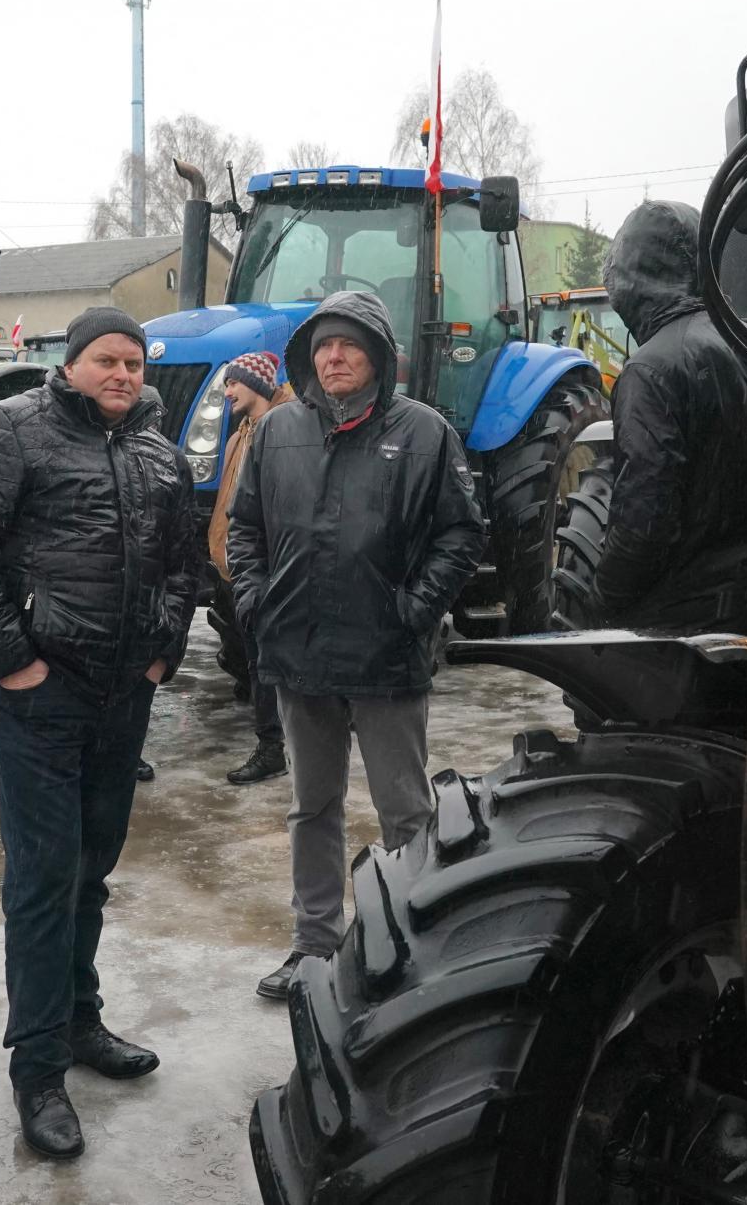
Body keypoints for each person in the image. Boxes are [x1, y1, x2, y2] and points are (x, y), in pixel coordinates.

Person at [0, 306, 197, 1161]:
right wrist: (13, 663)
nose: (123, 374)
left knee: (91, 869)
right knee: (43, 880)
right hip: (42, 697)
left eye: (135, 363)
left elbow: (183, 561)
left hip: (123, 697)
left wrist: (161, 653)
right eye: (107, 359)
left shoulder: (158, 452)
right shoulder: (10, 430)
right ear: (71, 363)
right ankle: (38, 1070)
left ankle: (81, 1020)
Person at [228, 289, 486, 1001]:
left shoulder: (425, 433)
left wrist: (415, 609)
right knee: (312, 806)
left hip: (385, 656)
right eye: (323, 347)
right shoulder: (278, 432)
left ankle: (413, 941)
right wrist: (255, 600)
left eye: (348, 345)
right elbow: (244, 527)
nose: (334, 357)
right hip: (299, 654)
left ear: (377, 354)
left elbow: (463, 532)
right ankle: (314, 944)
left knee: (406, 812)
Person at [586, 200, 747, 633]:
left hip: (673, 628)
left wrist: (602, 603)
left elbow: (645, 522)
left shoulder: (651, 370)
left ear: (632, 278)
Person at [207, 350, 295, 785]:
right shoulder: (240, 435)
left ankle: (273, 748)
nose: (227, 392)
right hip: (236, 567)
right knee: (257, 661)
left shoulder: (285, 433)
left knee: (267, 662)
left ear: (257, 384)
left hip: (267, 569)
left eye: (233, 383)